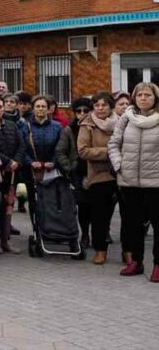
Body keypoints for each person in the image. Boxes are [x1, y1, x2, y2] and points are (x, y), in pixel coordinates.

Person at [108, 82, 159, 281]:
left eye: (148, 95)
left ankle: (157, 265)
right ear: (134, 98)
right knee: (133, 224)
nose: (143, 98)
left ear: (155, 98)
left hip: (155, 182)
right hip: (129, 181)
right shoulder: (126, 119)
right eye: (139, 95)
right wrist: (119, 165)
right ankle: (136, 262)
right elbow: (113, 144)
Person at [75, 92, 121, 265]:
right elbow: (83, 150)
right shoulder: (87, 124)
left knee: (130, 215)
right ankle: (100, 250)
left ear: (111, 106)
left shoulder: (122, 122)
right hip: (99, 174)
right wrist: (111, 152)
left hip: (123, 173)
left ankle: (129, 251)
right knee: (99, 215)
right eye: (97, 105)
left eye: (104, 105)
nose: (101, 108)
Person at [0, 95, 26, 254]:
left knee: (8, 207)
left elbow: (22, 145)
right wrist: (7, 162)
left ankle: (5, 240)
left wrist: (16, 162)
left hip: (12, 174)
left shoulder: (11, 125)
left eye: (0, 106)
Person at [56, 97, 94, 252]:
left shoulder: (97, 126)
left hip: (98, 172)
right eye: (79, 111)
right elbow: (60, 151)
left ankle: (101, 234)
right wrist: (70, 167)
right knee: (84, 206)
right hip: (78, 173)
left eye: (86, 110)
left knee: (99, 206)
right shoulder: (69, 130)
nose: (82, 113)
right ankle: (84, 235)